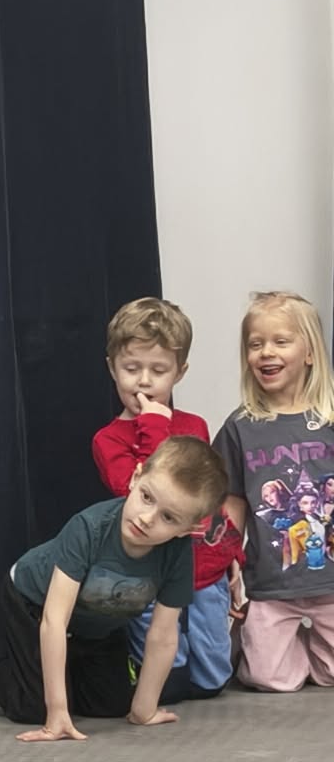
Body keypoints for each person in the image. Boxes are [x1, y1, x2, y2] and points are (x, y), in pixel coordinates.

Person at [0, 436, 228, 739]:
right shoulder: (90, 528)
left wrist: (145, 709)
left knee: (112, 704)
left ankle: (61, 673)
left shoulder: (178, 555)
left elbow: (164, 635)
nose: (147, 518)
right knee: (32, 707)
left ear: (188, 529)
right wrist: (56, 712)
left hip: (97, 621)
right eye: (146, 497)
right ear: (136, 477)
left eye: (168, 518)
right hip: (35, 602)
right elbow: (54, 620)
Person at [90, 297, 241, 701]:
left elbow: (209, 501)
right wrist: (153, 425)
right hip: (148, 572)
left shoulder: (194, 426)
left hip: (202, 568)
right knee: (167, 681)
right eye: (131, 369)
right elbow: (141, 492)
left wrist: (232, 555)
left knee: (211, 680)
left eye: (158, 371)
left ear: (179, 372)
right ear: (112, 368)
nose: (143, 382)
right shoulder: (108, 440)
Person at [213, 291, 334, 691]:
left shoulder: (330, 418)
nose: (267, 352)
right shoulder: (240, 426)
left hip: (330, 581)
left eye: (281, 341)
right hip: (270, 583)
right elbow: (232, 502)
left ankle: (308, 646)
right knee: (268, 679)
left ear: (310, 352)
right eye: (256, 344)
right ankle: (268, 641)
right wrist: (228, 559)